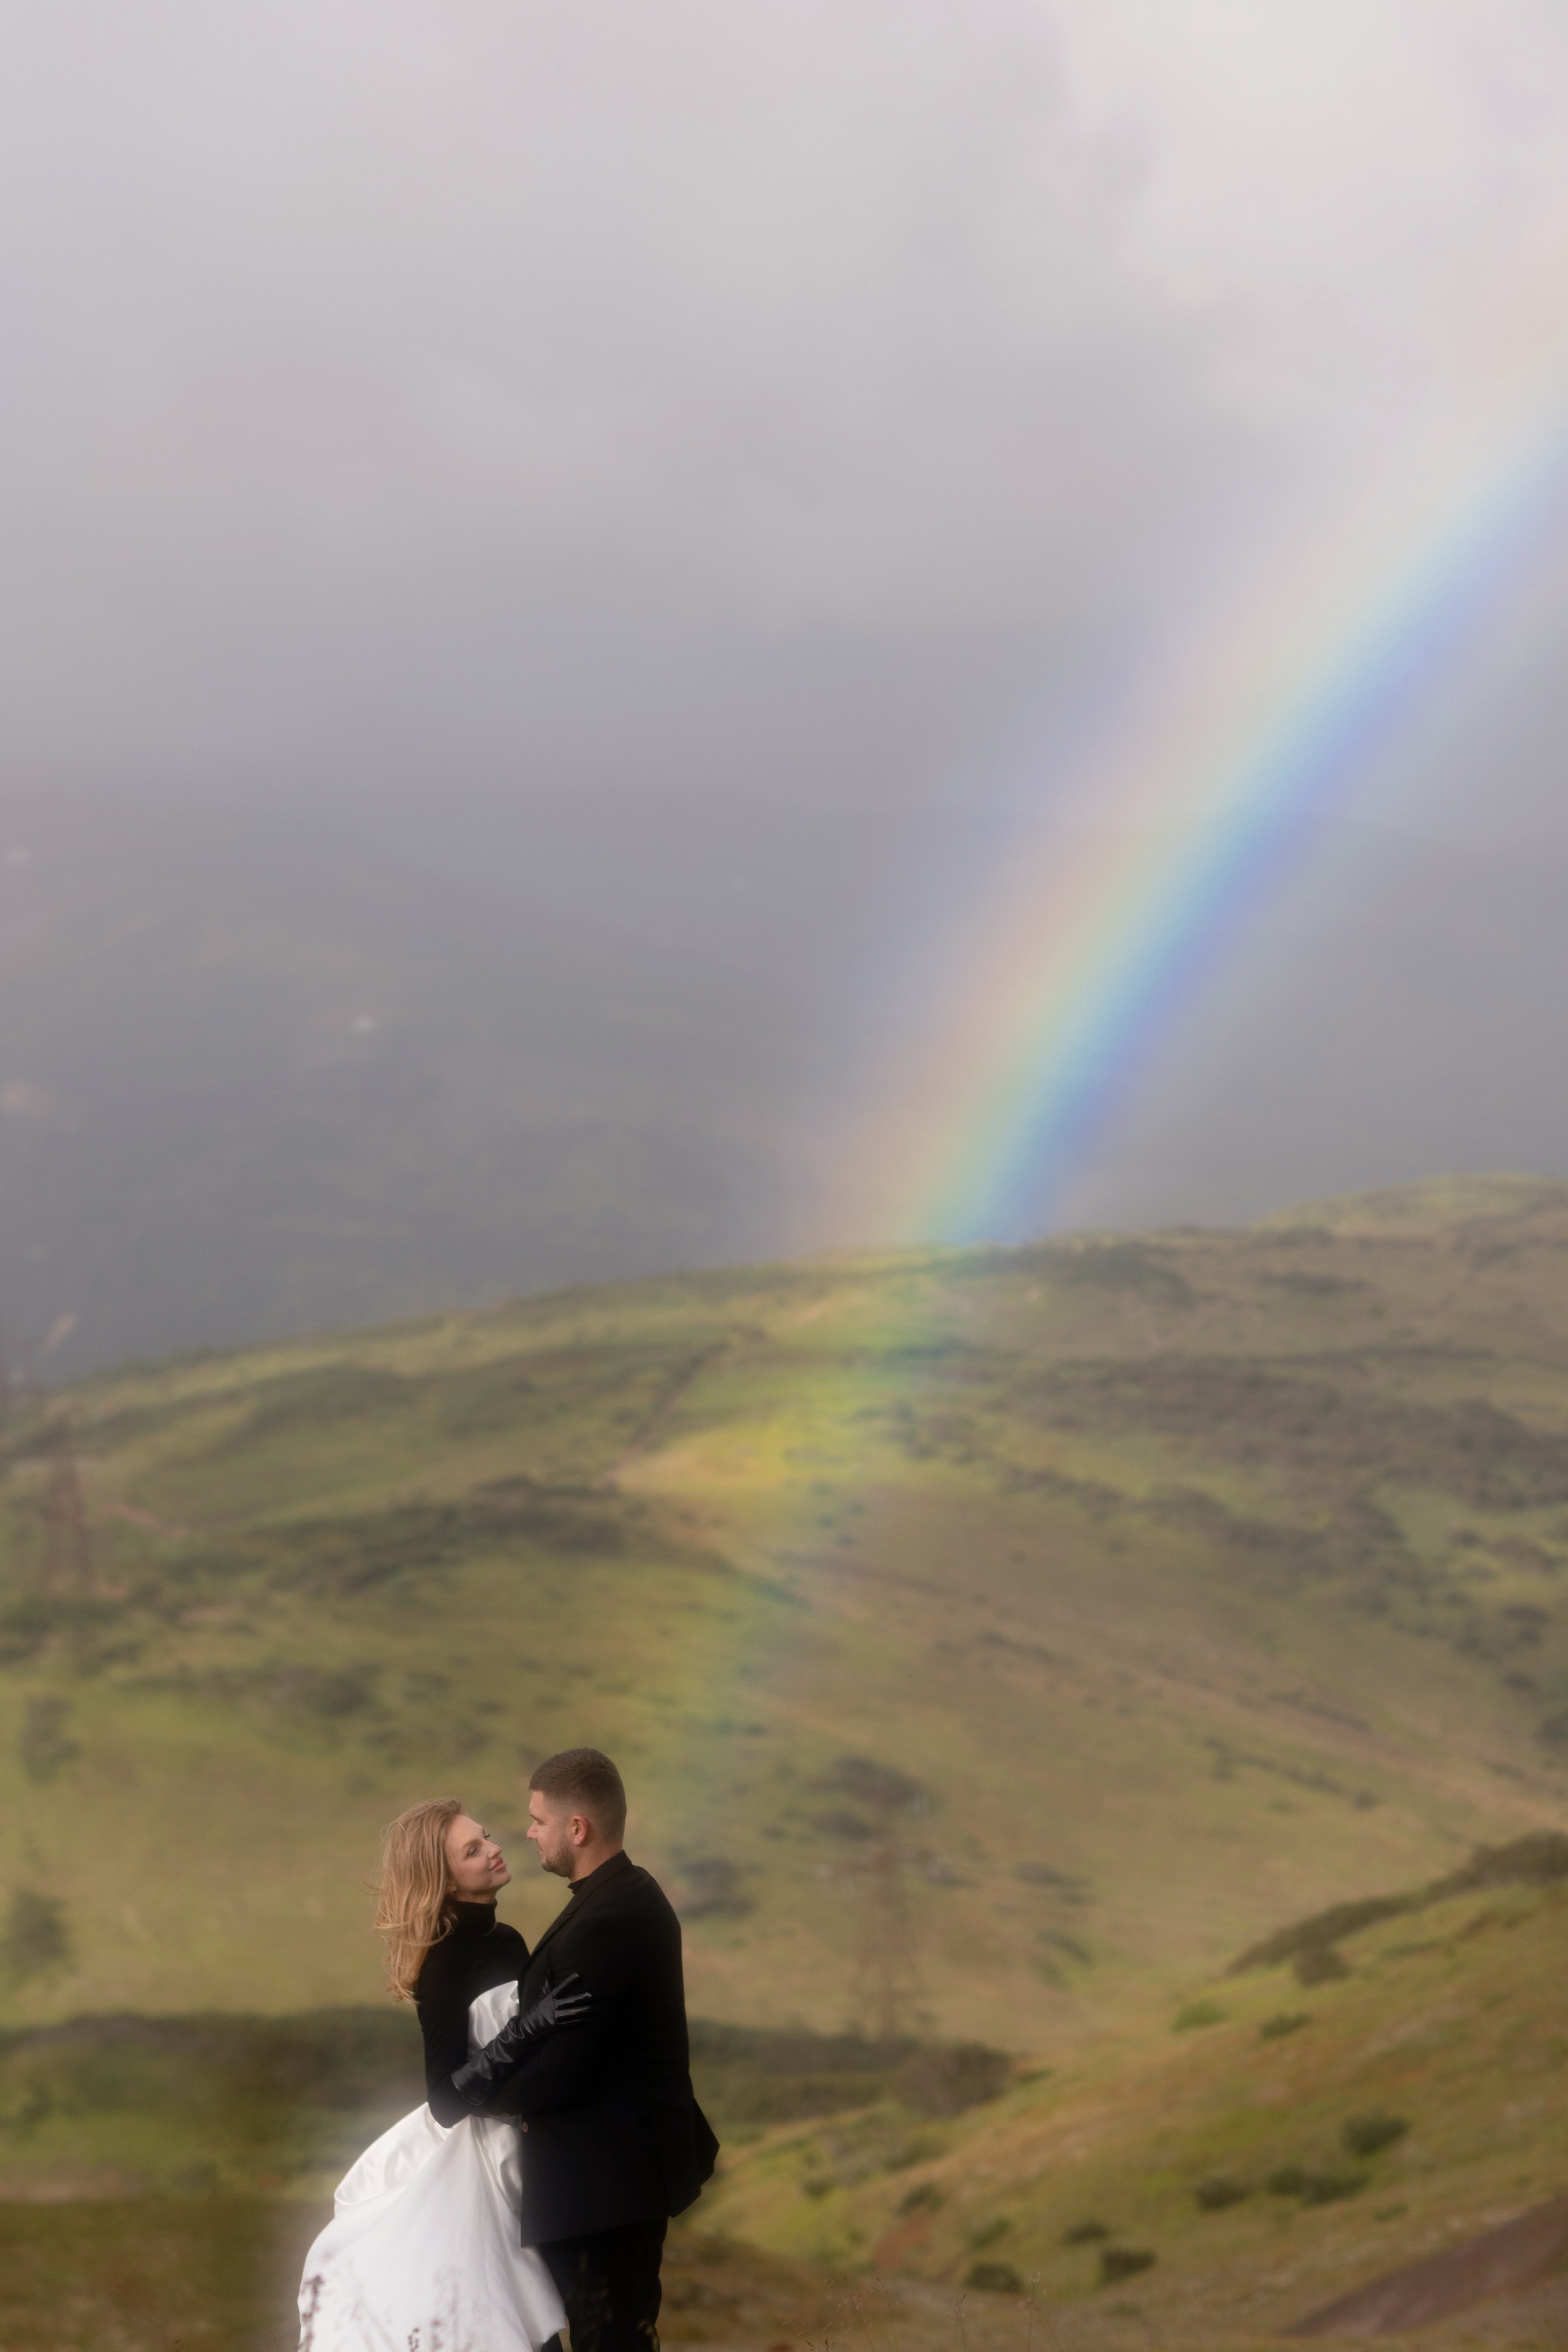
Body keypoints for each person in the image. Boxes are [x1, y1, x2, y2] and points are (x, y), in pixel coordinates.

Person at [296, 1797, 586, 2352]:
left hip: (532, 2150)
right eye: (473, 1850)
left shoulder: (508, 1941)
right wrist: (527, 2030)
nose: (496, 1849)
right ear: (447, 1881)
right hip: (480, 2168)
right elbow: (446, 2101)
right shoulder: (443, 1966)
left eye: (487, 1837)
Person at [468, 1747, 720, 2352]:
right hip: (601, 2181)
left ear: (576, 1828)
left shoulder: (610, 1918)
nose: (528, 1833)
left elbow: (561, 2071)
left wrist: (472, 2093)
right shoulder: (619, 1896)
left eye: (537, 1820)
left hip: (604, 2187)